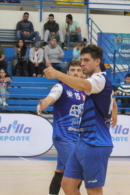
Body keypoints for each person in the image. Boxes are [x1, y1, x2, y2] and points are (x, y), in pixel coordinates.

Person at [44, 44, 117, 195]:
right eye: (81, 60)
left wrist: (58, 74)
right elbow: (113, 101)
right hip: (82, 141)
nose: (82, 63)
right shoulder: (94, 81)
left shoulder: (100, 79)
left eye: (86, 60)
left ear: (97, 62)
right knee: (67, 184)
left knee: (93, 190)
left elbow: (84, 85)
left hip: (95, 142)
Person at [37, 60, 85, 195]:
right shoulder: (61, 87)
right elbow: (50, 98)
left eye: (78, 70)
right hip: (63, 137)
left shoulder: (85, 91)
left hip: (77, 138)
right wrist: (44, 104)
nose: (75, 73)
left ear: (82, 73)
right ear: (67, 72)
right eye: (73, 70)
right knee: (78, 170)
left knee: (60, 172)